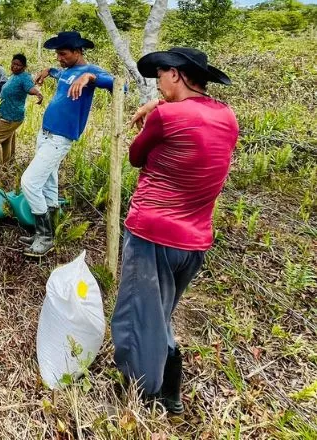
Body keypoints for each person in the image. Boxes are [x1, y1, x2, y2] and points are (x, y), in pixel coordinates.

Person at [111, 48, 238, 414]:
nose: (158, 83)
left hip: (152, 233)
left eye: (160, 75)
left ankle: (142, 397)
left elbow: (136, 156)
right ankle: (170, 391)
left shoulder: (167, 117)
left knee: (137, 316)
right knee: (160, 313)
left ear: (176, 75)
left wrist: (155, 111)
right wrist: (157, 106)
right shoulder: (227, 116)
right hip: (195, 241)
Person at [19, 32, 114, 257]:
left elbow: (119, 84)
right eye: (57, 54)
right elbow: (60, 73)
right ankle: (47, 228)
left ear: (78, 52)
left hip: (61, 137)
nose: (59, 58)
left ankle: (45, 236)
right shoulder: (67, 70)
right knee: (48, 182)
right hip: (45, 133)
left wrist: (90, 77)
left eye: (63, 54)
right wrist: (48, 71)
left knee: (29, 182)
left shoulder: (91, 71)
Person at [0, 54, 43, 165]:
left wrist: (38, 93)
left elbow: (30, 88)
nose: (15, 67)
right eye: (14, 63)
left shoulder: (24, 77)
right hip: (5, 114)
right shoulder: (13, 76)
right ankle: (6, 164)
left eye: (18, 65)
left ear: (24, 66)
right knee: (5, 140)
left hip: (12, 117)